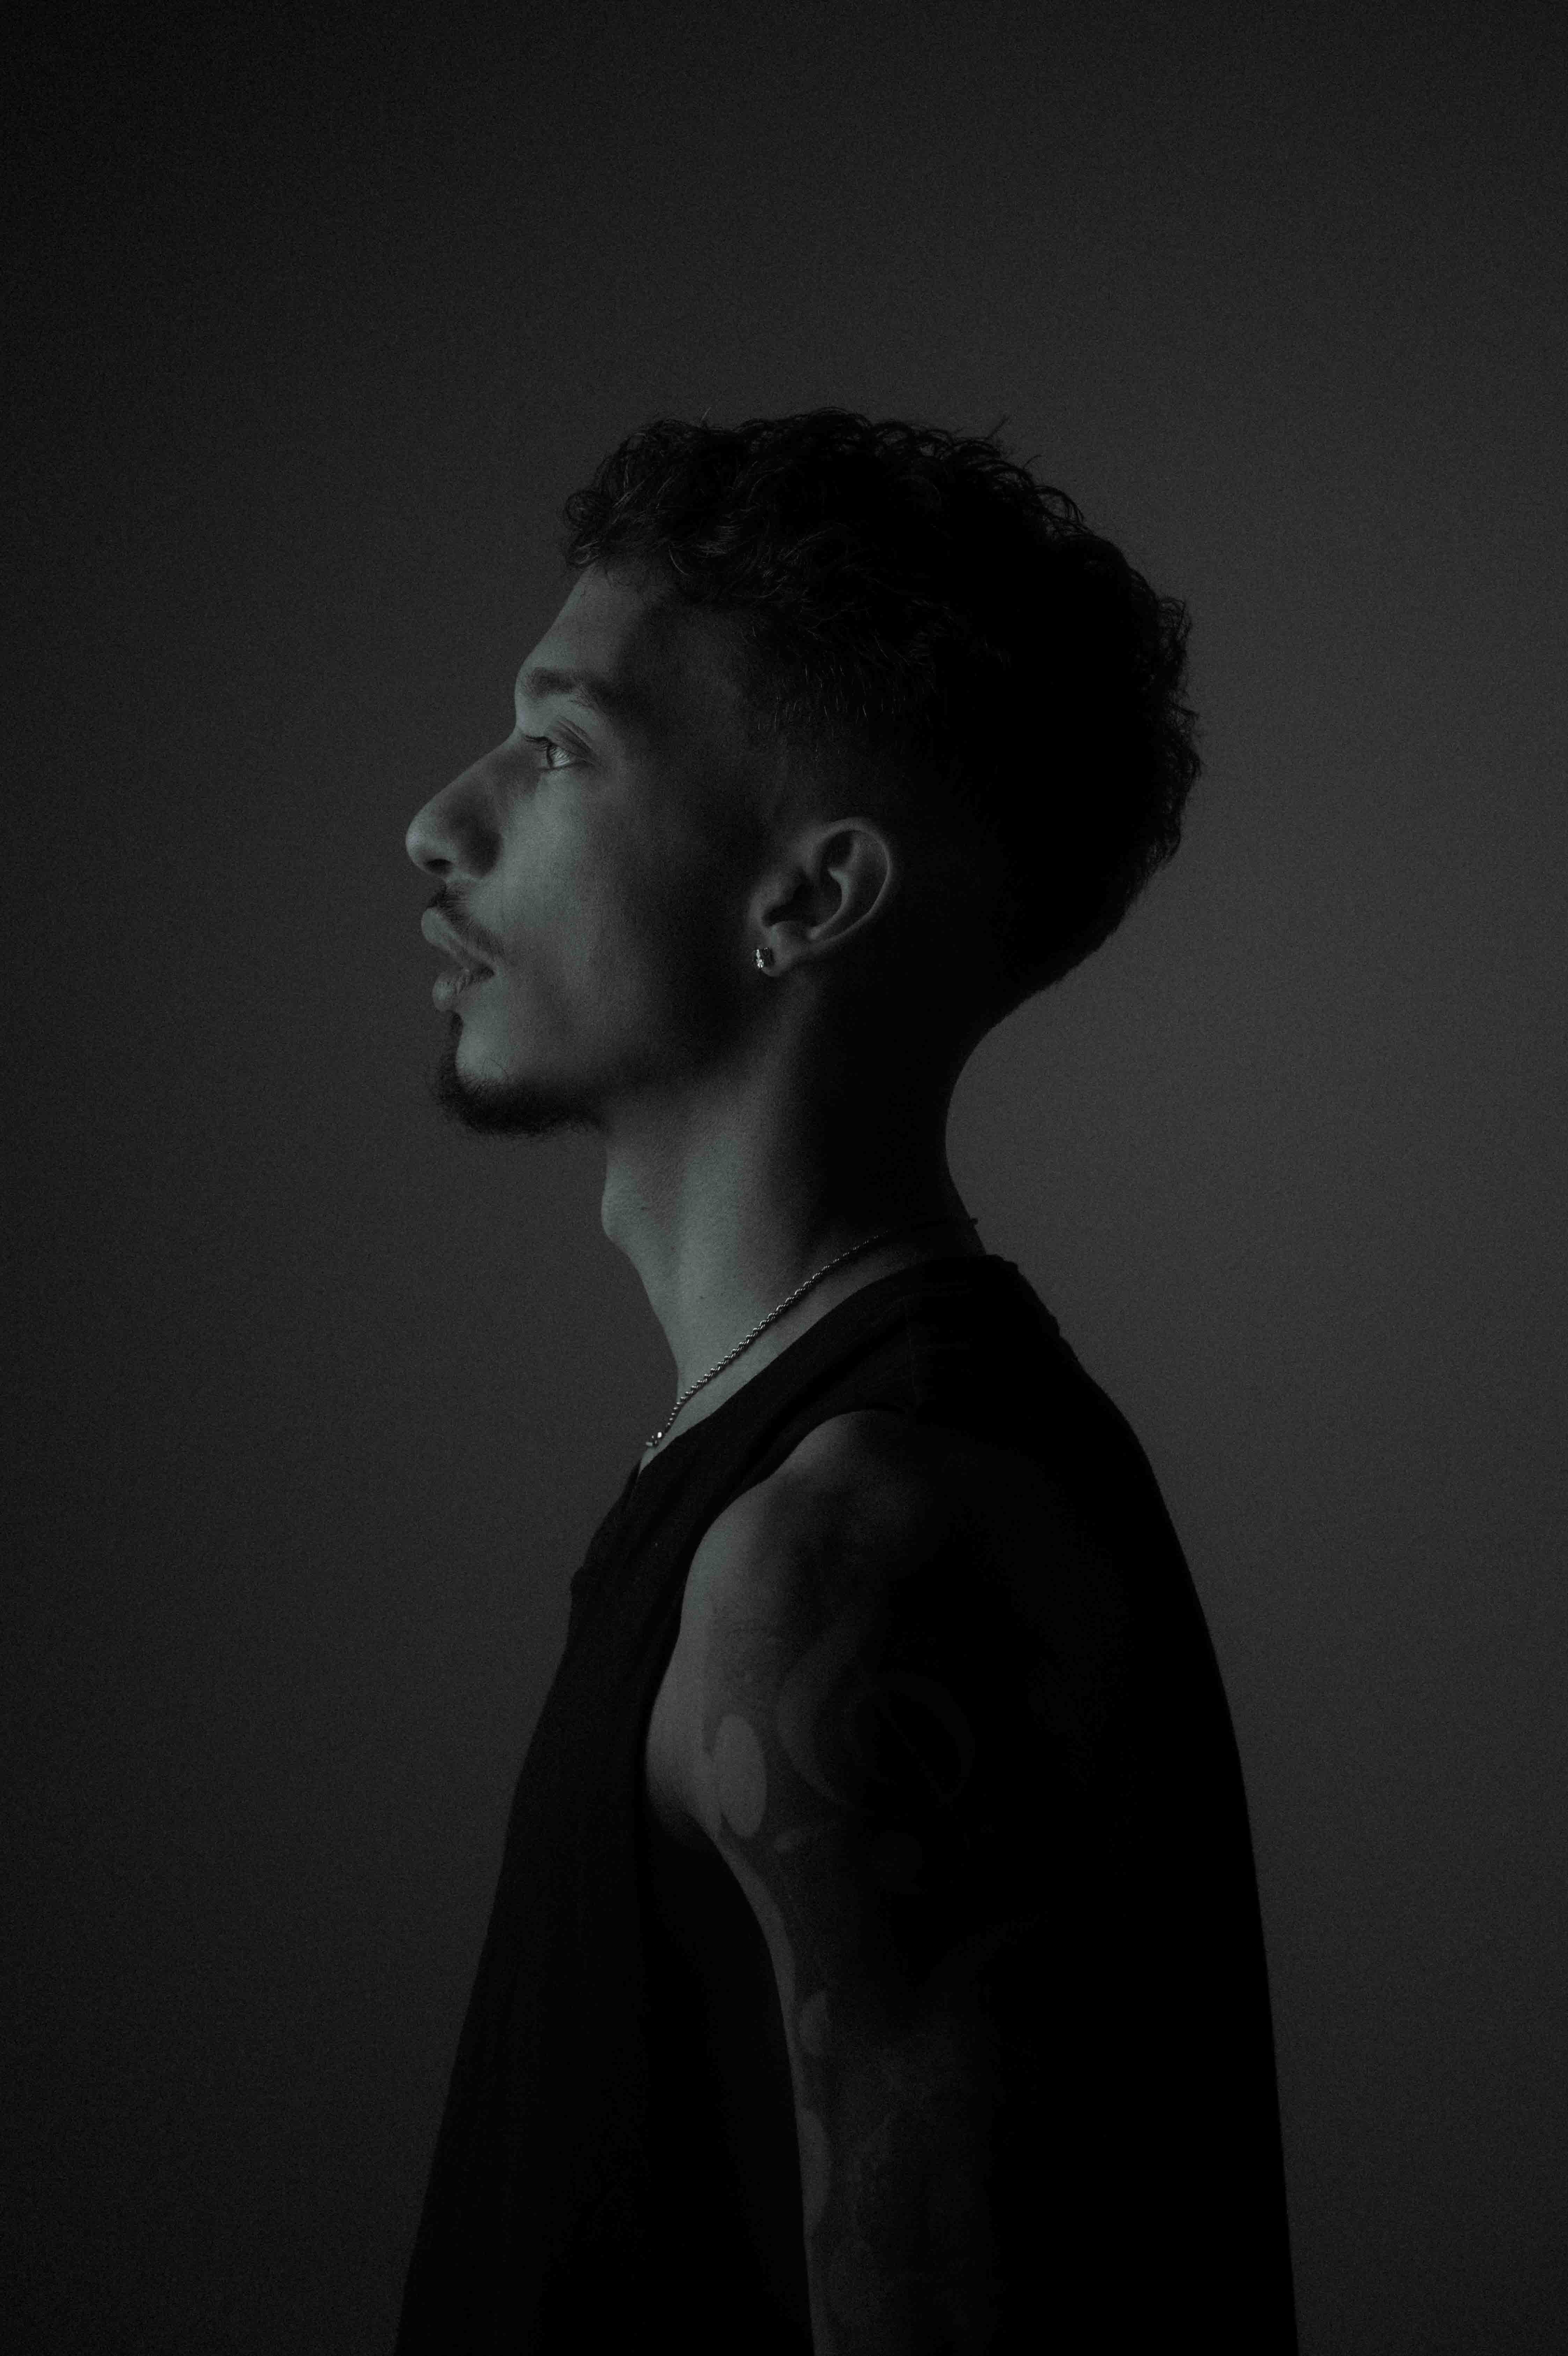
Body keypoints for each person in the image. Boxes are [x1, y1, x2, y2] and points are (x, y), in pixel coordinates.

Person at [396, 409, 1298, 2352]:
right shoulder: (781, 1490)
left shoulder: (859, 1551)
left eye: (558, 750)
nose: (440, 823)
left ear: (807, 899)